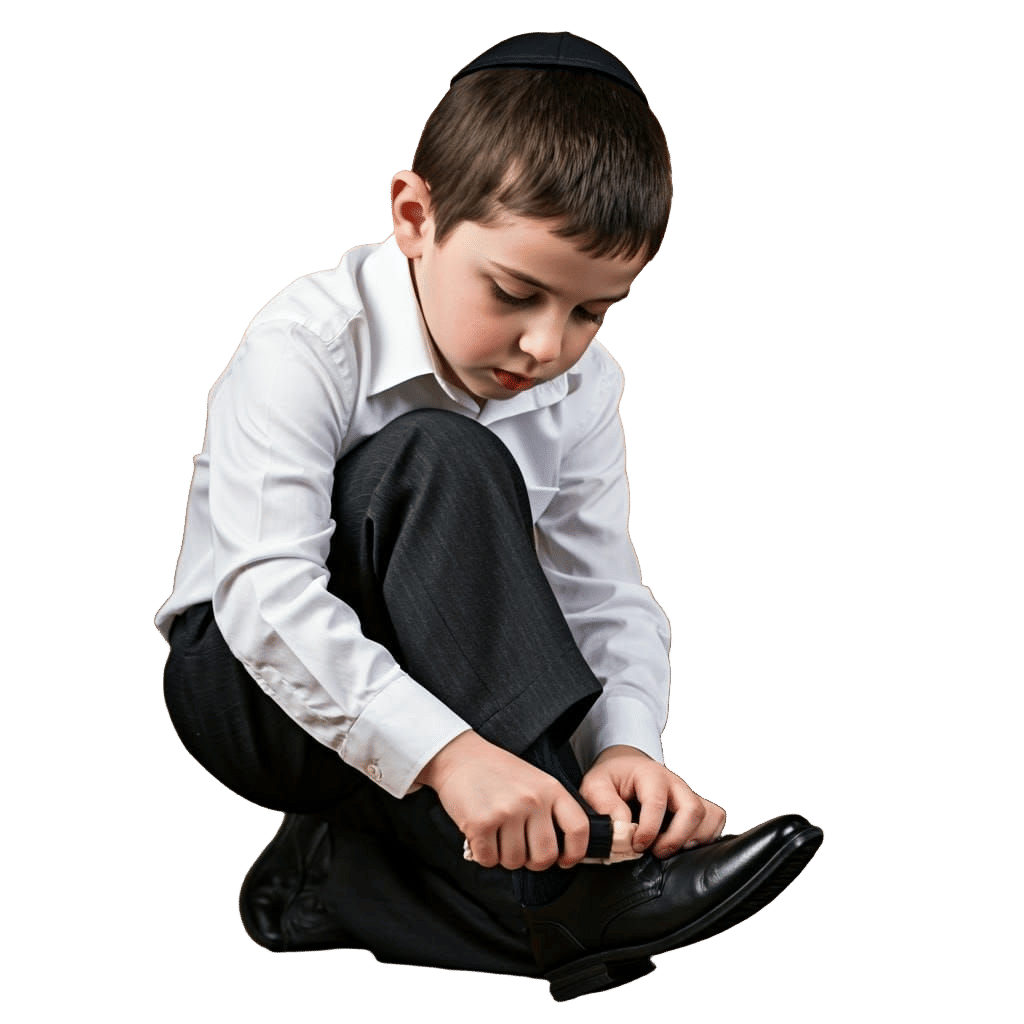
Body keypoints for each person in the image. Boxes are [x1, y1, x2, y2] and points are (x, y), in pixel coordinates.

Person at [155, 31, 825, 1002]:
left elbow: (602, 595)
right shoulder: (304, 340)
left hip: (445, 695)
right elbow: (264, 598)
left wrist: (625, 748)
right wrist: (452, 757)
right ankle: (583, 879)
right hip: (245, 690)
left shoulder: (584, 386)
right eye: (515, 292)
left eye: (595, 311)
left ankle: (340, 886)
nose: (547, 343)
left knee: (585, 937)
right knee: (441, 455)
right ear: (415, 215)